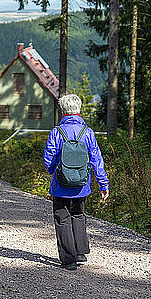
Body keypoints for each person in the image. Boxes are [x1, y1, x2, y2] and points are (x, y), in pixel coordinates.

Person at [43, 94, 109, 270]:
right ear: (79, 109)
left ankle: (69, 259)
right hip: (82, 184)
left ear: (63, 110)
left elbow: (48, 158)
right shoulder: (87, 133)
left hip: (60, 185)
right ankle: (80, 252)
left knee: (62, 218)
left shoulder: (56, 132)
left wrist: (53, 172)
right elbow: (97, 160)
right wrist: (103, 184)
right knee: (78, 215)